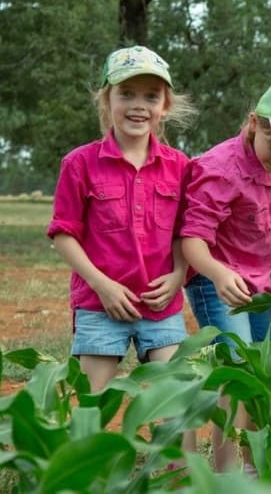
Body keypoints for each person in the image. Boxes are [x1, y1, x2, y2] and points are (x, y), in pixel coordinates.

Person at [180, 78, 271, 472]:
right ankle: (228, 471)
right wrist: (216, 273)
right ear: (253, 123)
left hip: (263, 281)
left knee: (270, 368)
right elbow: (191, 241)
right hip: (218, 282)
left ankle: (256, 462)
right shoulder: (219, 170)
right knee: (238, 372)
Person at [47, 45, 195, 392]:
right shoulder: (79, 163)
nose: (138, 105)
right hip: (100, 305)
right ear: (106, 100)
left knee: (178, 403)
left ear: (165, 106)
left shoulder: (181, 166)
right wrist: (103, 285)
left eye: (151, 96)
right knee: (89, 407)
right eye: (126, 94)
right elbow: (63, 234)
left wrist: (178, 275)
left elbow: (184, 233)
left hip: (160, 307)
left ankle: (174, 449)